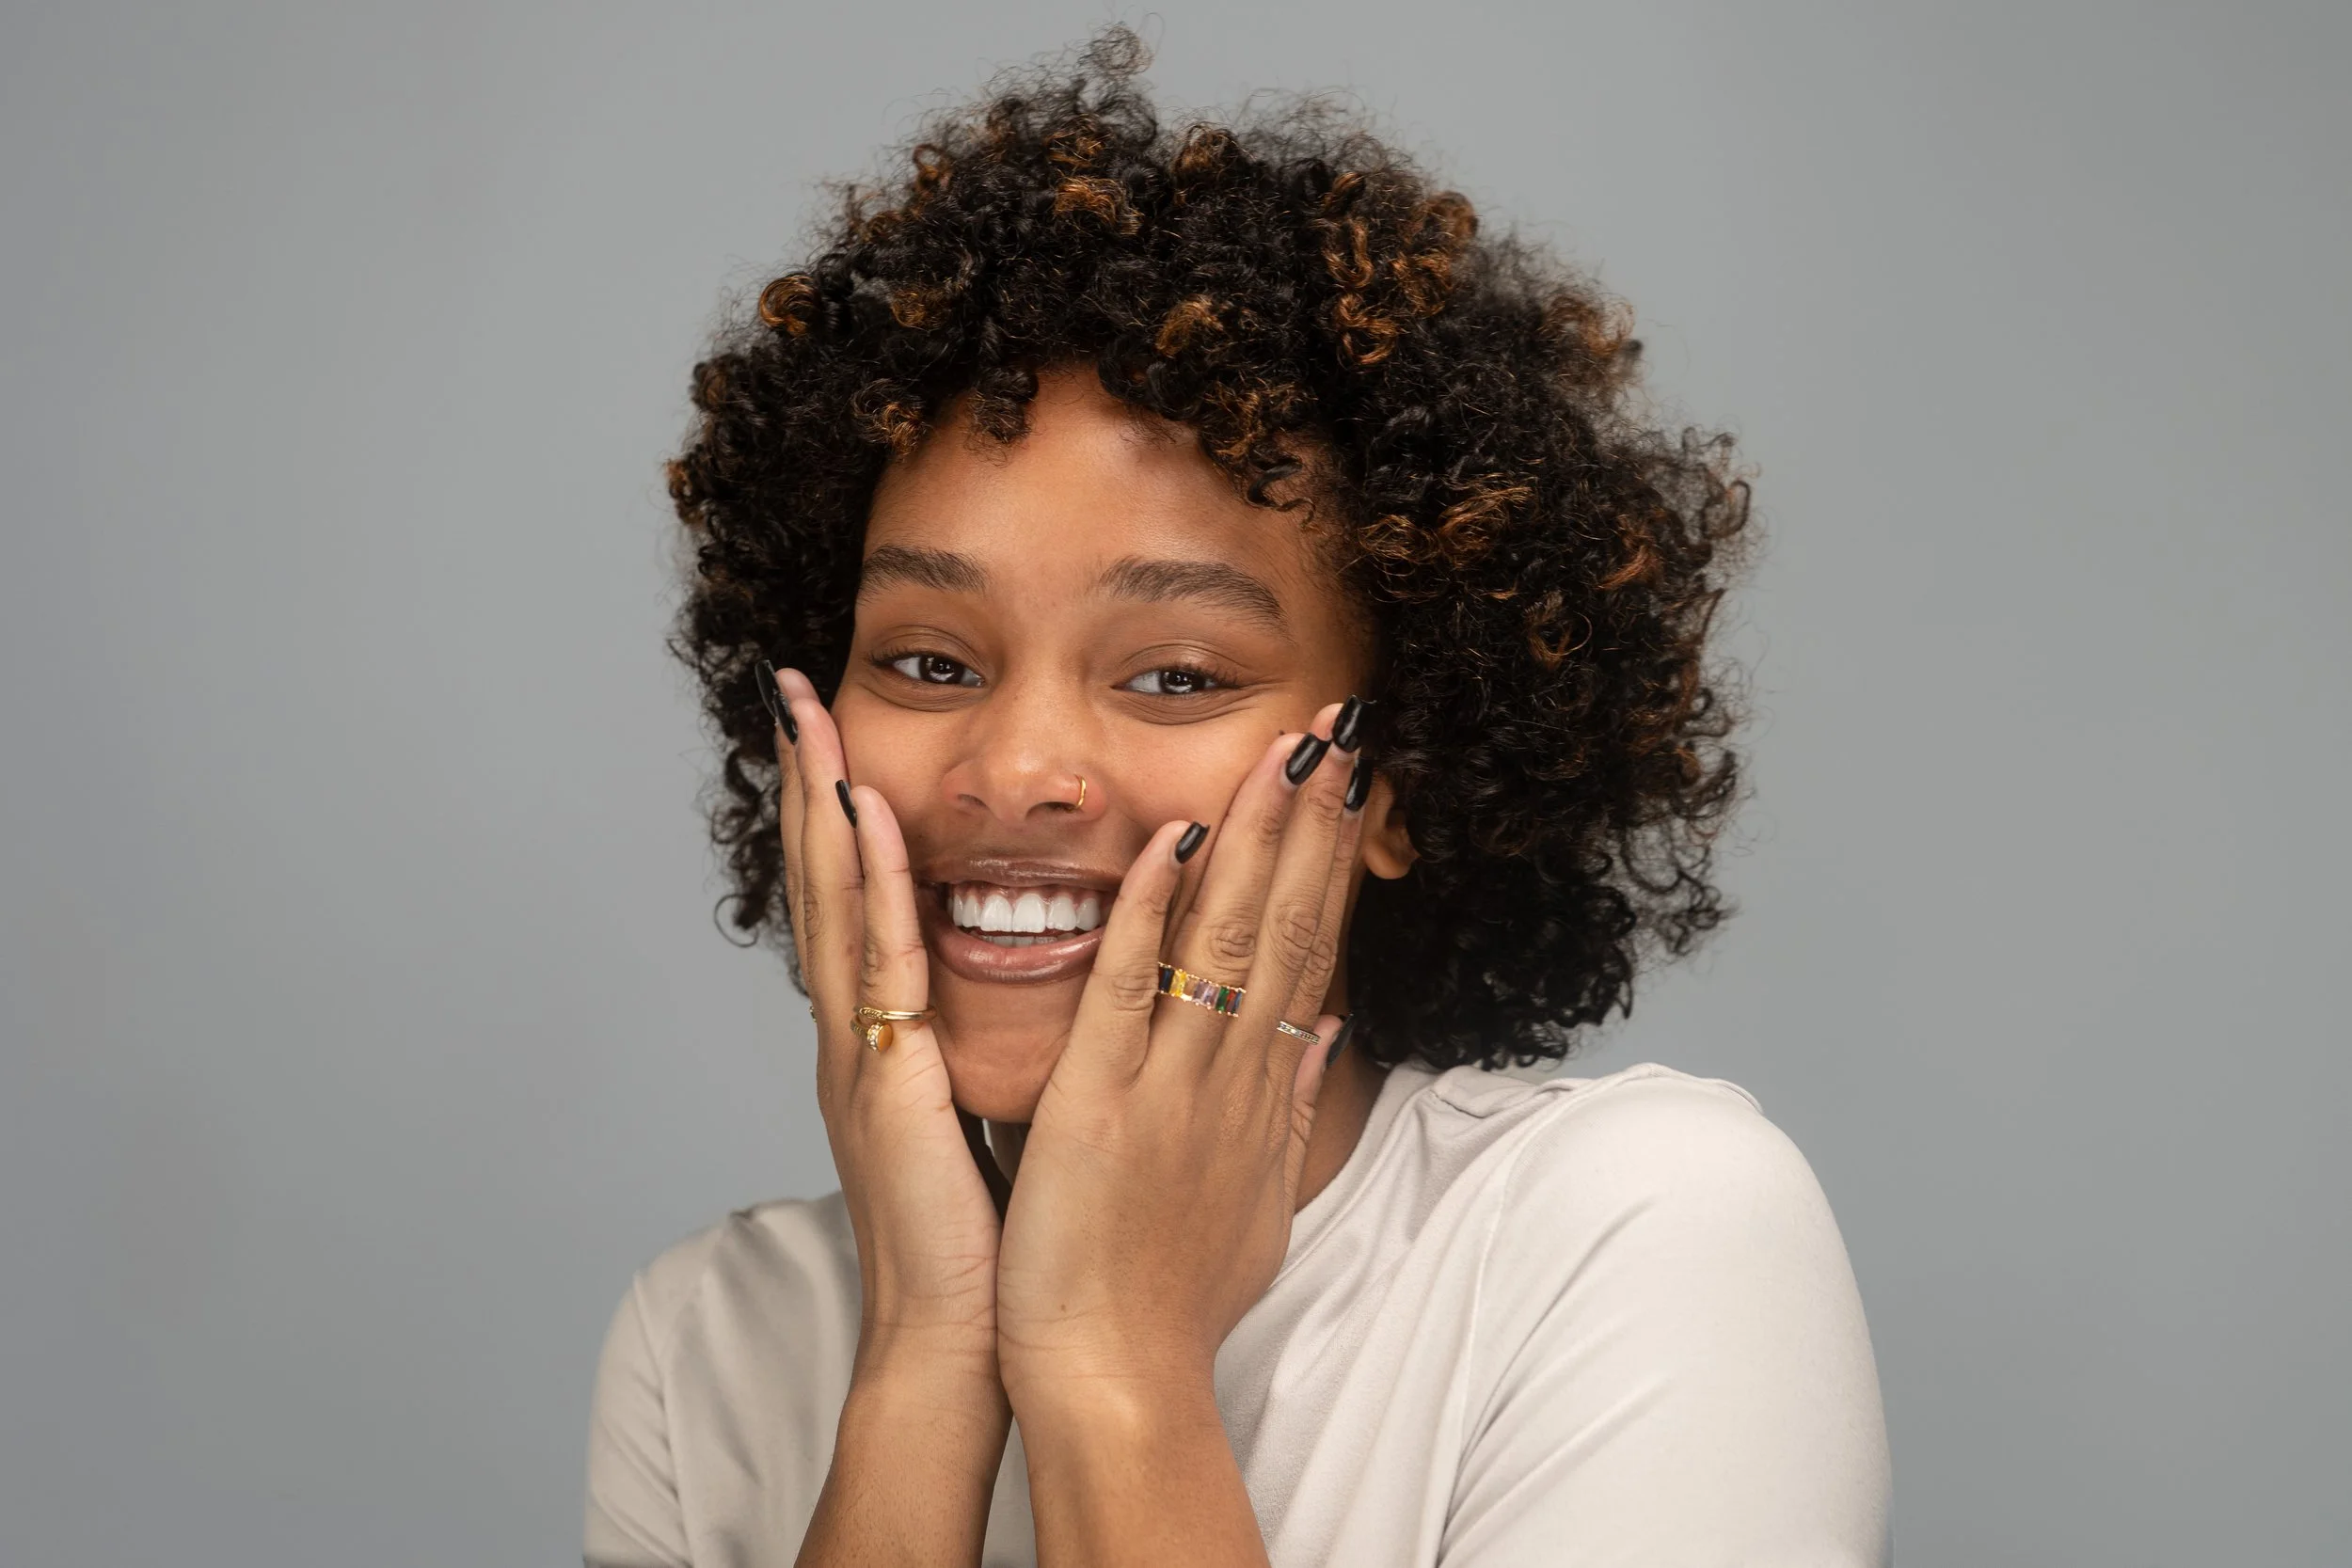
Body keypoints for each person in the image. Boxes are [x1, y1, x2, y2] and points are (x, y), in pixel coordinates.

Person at [582, 29, 1890, 1568]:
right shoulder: (712, 1340)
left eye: (1180, 677)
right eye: (929, 659)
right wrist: (928, 1358)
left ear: (1393, 784)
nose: (1012, 773)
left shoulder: (1645, 1235)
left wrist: (1110, 1358)